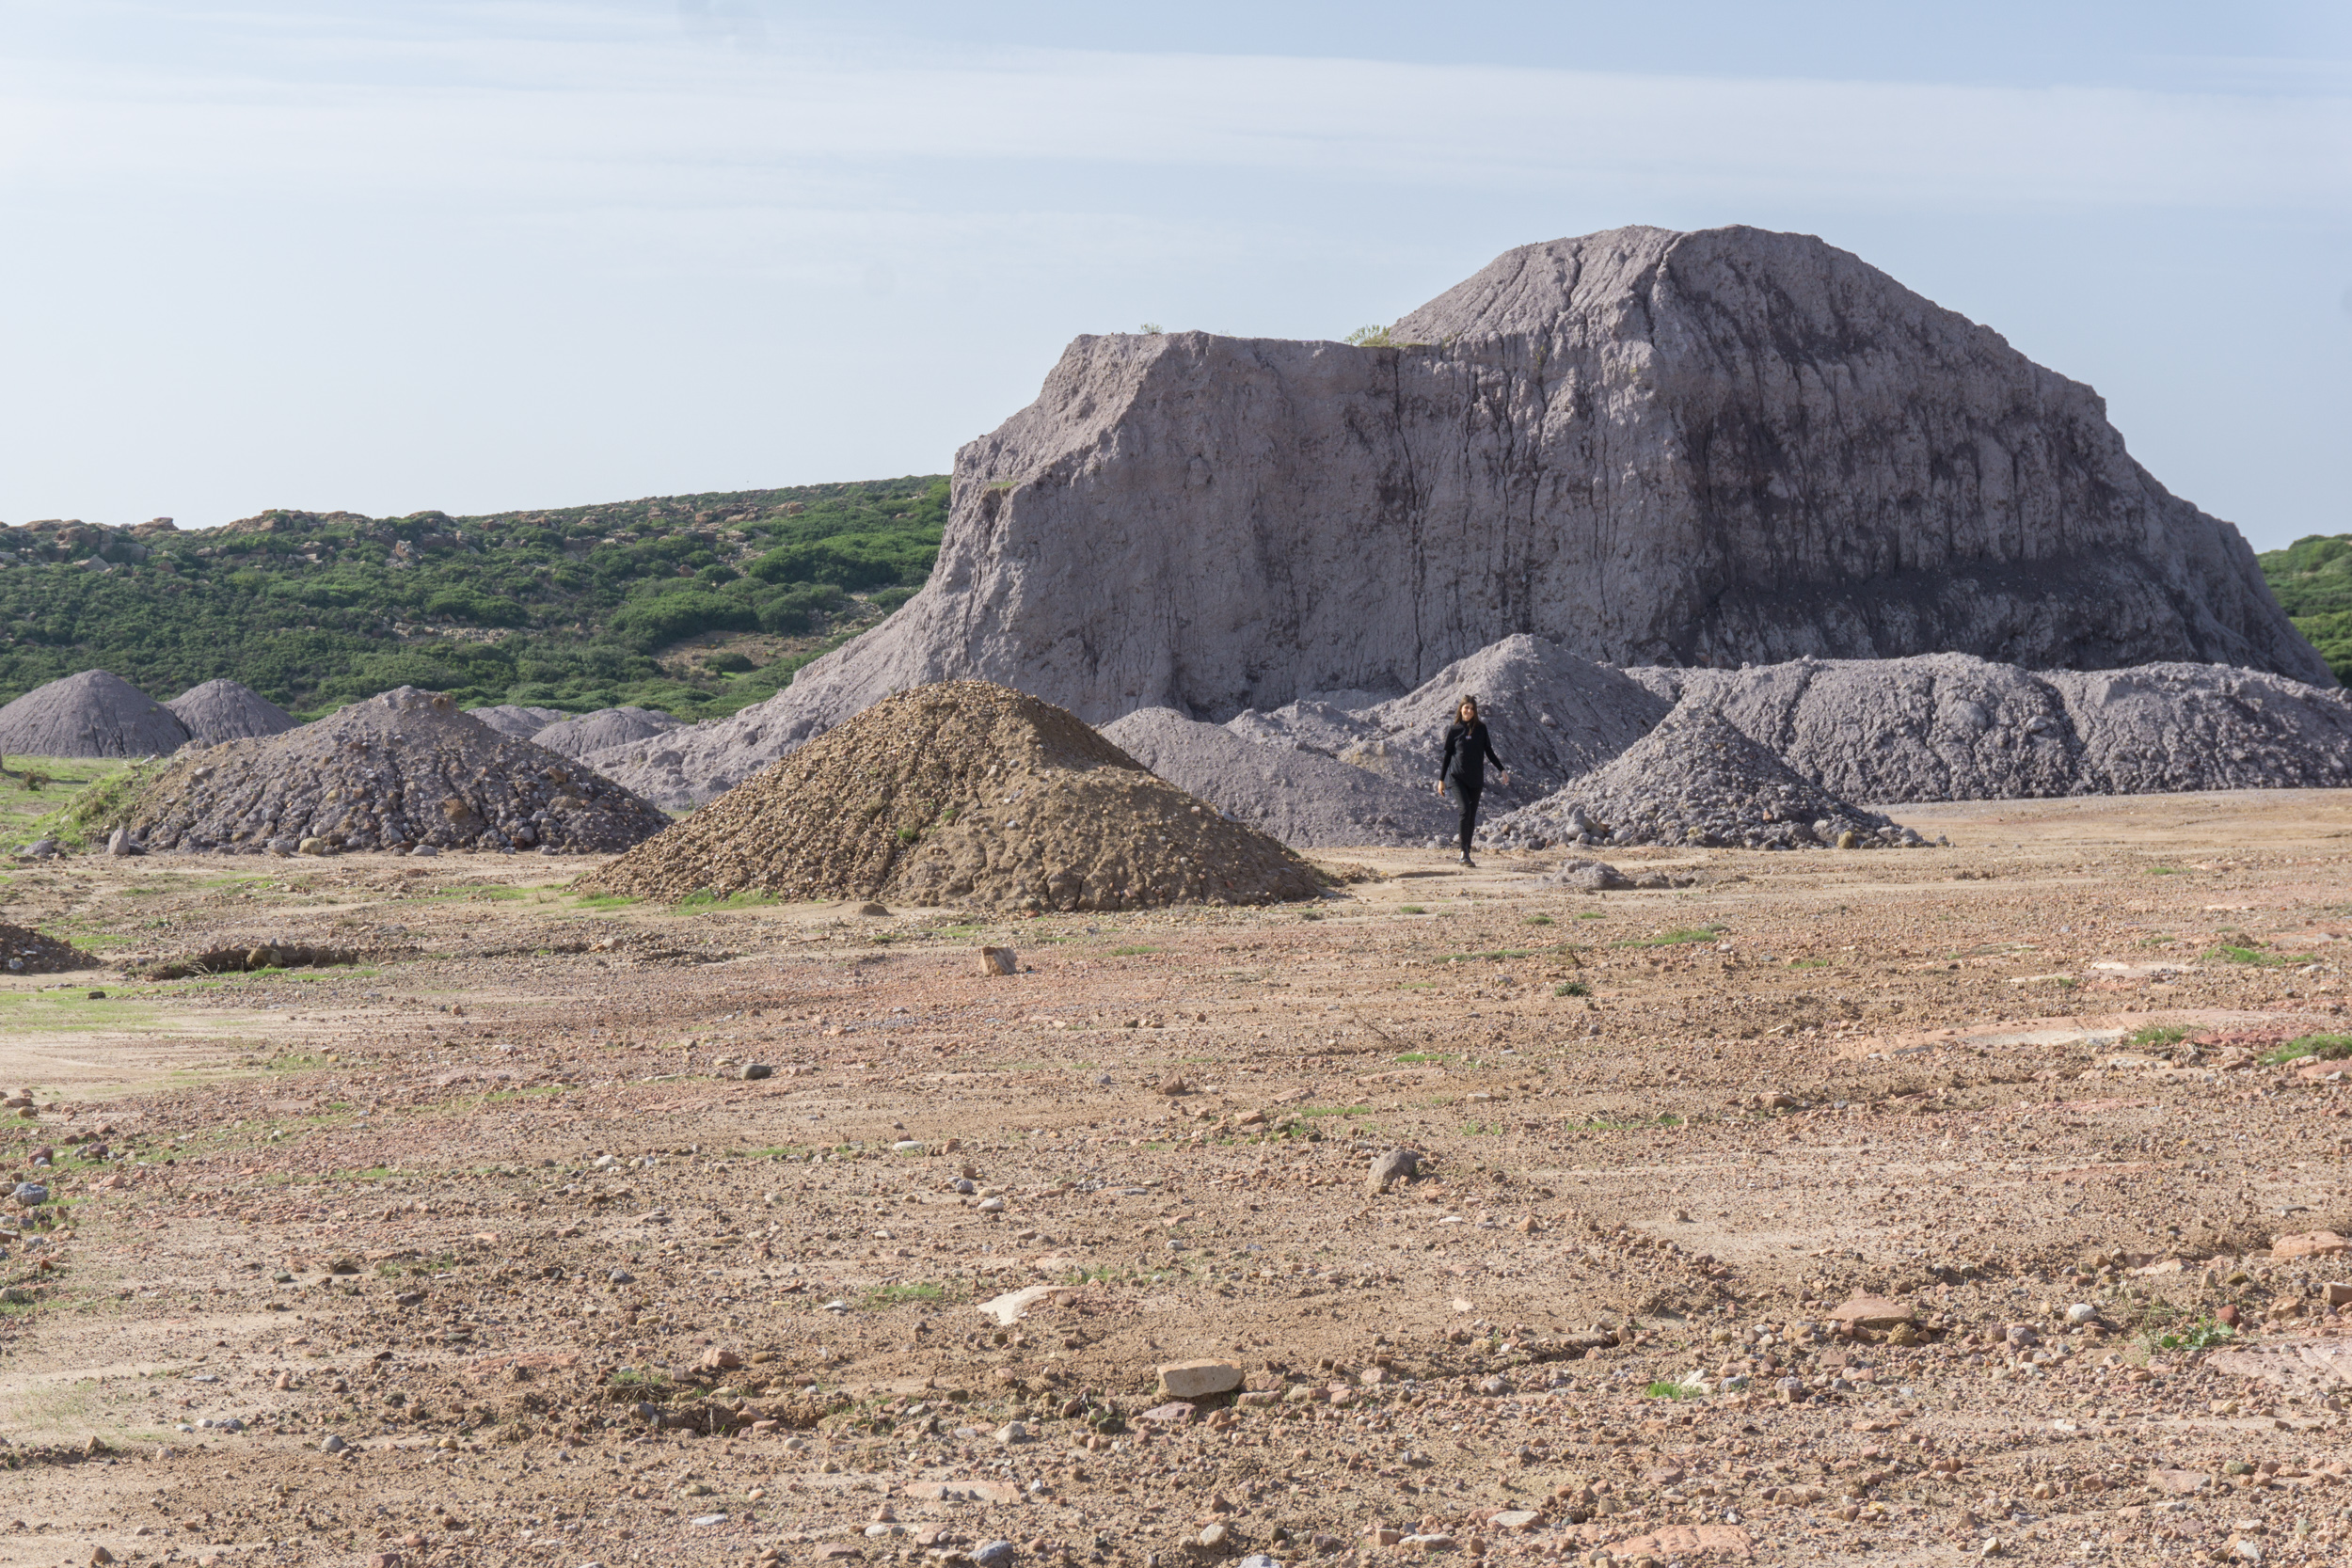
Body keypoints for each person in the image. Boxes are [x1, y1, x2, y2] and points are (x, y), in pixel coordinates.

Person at [1435, 696, 1510, 866]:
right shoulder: (1454, 730)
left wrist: (1502, 769)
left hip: (1475, 779)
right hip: (1456, 778)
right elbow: (1447, 756)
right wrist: (1441, 780)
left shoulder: (1481, 729)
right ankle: (1463, 852)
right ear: (1461, 709)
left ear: (1475, 711)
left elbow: (1489, 751)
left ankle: (1467, 850)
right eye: (1466, 707)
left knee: (1472, 815)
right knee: (1465, 810)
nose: (1468, 711)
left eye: (1472, 708)